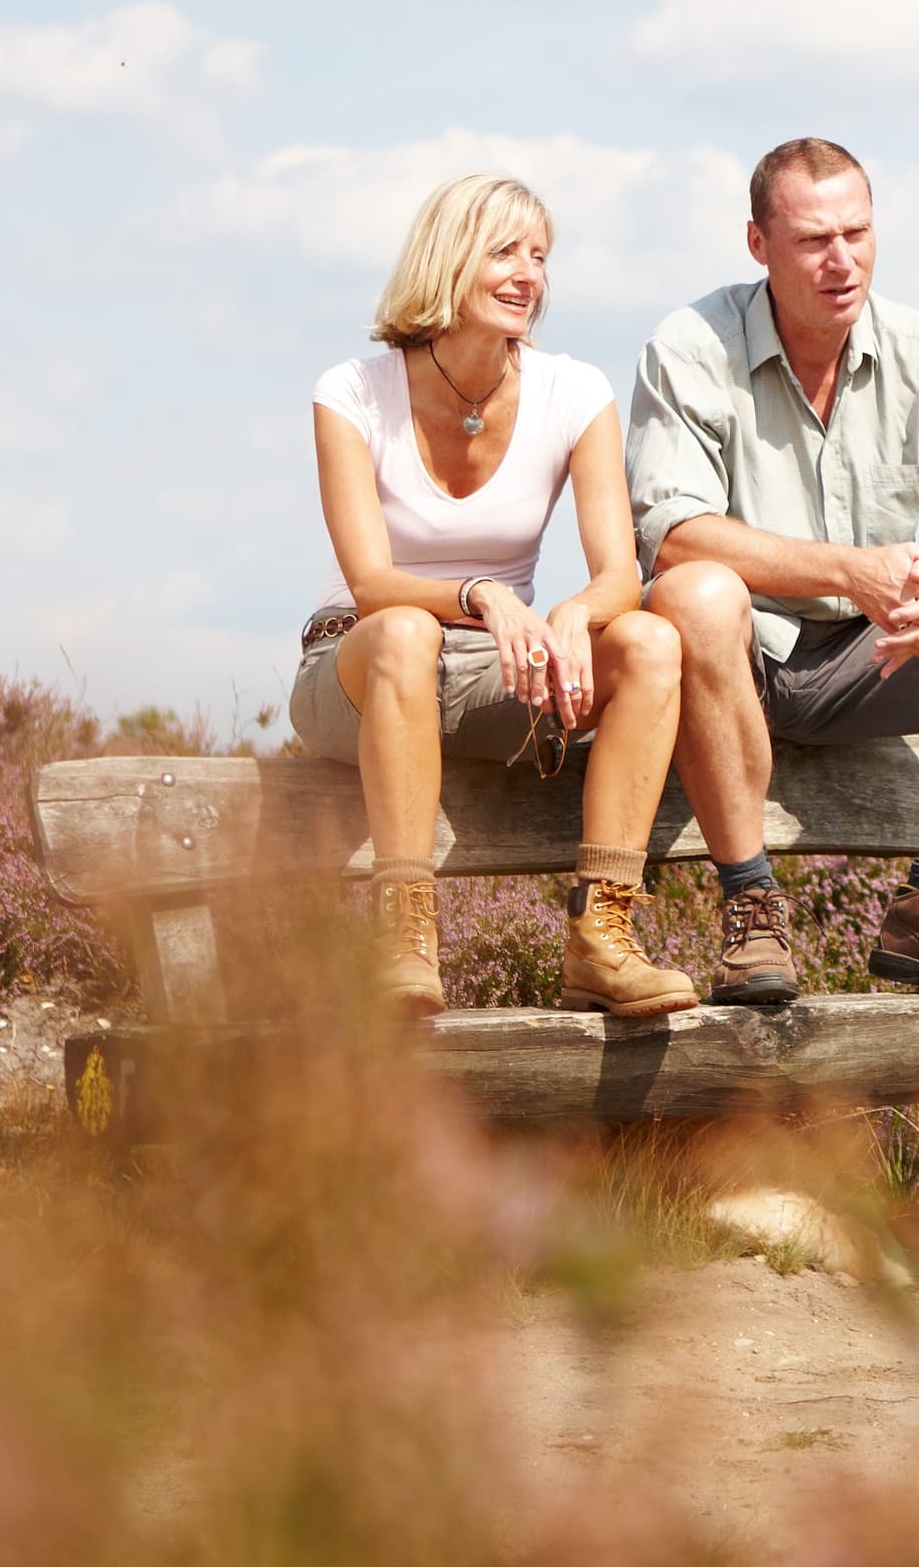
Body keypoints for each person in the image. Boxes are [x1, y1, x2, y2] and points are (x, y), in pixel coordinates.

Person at [629, 137, 919, 1007]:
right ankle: (751, 908)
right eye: (814, 240)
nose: (842, 261)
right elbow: (672, 538)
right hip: (739, 663)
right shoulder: (689, 346)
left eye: (857, 233)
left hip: (882, 657)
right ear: (758, 244)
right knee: (692, 593)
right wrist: (854, 573)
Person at [293, 172, 699, 1022]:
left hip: (494, 670)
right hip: (359, 666)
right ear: (447, 259)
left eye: (539, 256)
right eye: (504, 252)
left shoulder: (575, 393)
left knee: (652, 643)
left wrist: (572, 614)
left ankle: (601, 938)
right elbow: (371, 585)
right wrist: (481, 594)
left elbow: (620, 576)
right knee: (405, 632)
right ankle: (404, 940)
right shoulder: (352, 392)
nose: (528, 275)